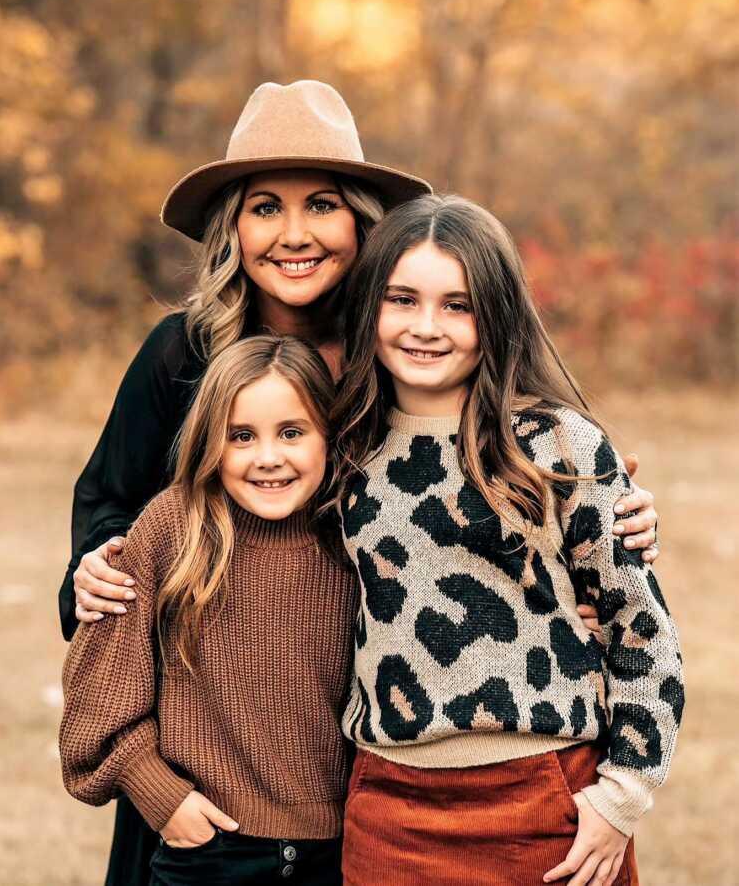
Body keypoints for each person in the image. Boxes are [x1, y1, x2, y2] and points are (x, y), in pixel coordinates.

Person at [59, 81, 661, 885]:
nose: (294, 232)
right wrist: (95, 563)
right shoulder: (183, 354)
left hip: (364, 760)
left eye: (324, 206)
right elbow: (110, 499)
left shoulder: (393, 356)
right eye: (265, 207)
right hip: (211, 760)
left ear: (361, 225)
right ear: (233, 227)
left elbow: (490, 488)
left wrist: (609, 530)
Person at [332, 195, 684, 886]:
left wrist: (620, 800)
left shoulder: (558, 444)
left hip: (544, 796)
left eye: (457, 306)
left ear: (495, 314)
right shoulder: (343, 449)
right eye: (402, 299)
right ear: (369, 305)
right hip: (389, 808)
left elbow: (642, 632)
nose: (426, 327)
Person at [60, 335, 358, 886]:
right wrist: (161, 796)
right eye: (241, 437)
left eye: (291, 433)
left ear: (329, 436)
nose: (268, 458)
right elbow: (95, 703)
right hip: (207, 852)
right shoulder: (174, 528)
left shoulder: (354, 536)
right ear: (210, 442)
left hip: (335, 854)